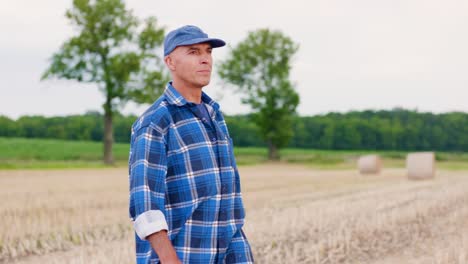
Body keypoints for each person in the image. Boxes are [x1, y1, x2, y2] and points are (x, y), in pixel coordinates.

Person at [128, 25, 254, 264]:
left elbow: (227, 201)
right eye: (194, 52)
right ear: (170, 62)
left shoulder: (215, 116)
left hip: (231, 254)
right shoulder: (155, 122)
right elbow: (146, 207)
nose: (205, 59)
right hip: (184, 256)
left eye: (208, 52)